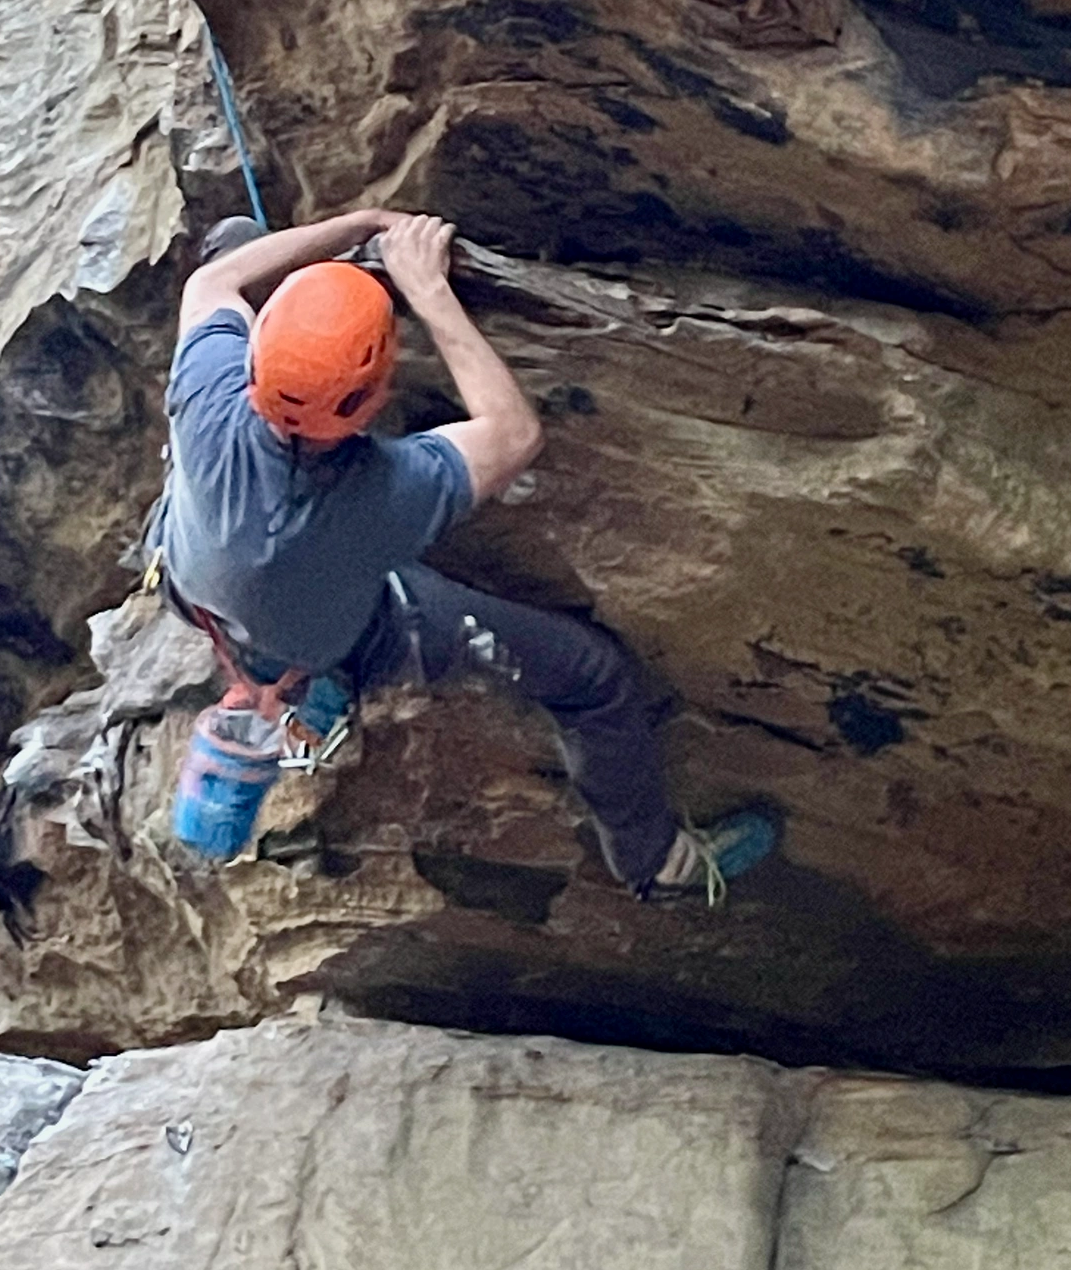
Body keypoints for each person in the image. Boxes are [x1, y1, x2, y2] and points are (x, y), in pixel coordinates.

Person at [156, 206, 779, 901]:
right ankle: (656, 865)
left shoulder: (208, 390)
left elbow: (216, 281)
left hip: (193, 586)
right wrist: (426, 290)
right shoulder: (382, 494)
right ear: (371, 402)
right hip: (358, 628)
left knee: (242, 244)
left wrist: (352, 225)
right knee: (592, 679)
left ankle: (288, 670)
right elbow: (513, 433)